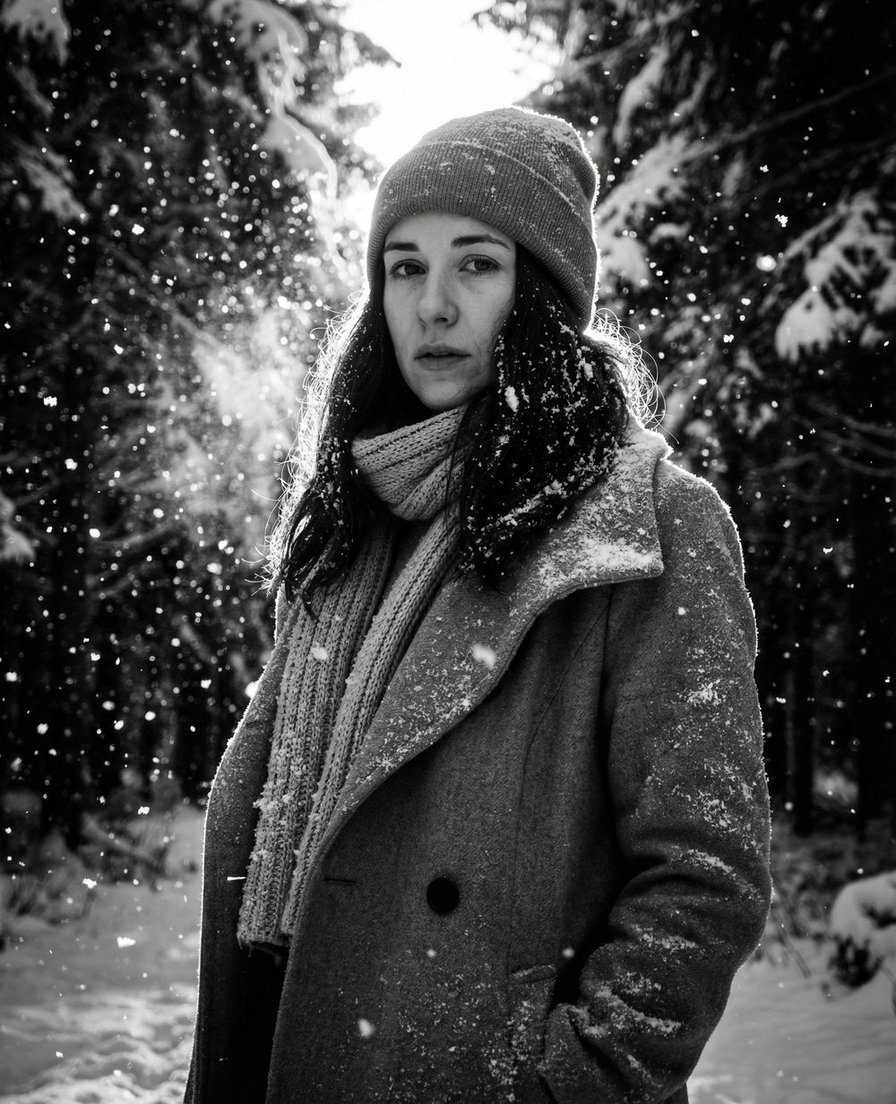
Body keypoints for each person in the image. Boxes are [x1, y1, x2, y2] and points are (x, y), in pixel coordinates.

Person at [185, 107, 772, 1103]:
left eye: (477, 264)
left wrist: (552, 1083)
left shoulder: (651, 524)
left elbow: (704, 873)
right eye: (404, 267)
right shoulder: (350, 524)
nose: (435, 305)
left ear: (537, 293)